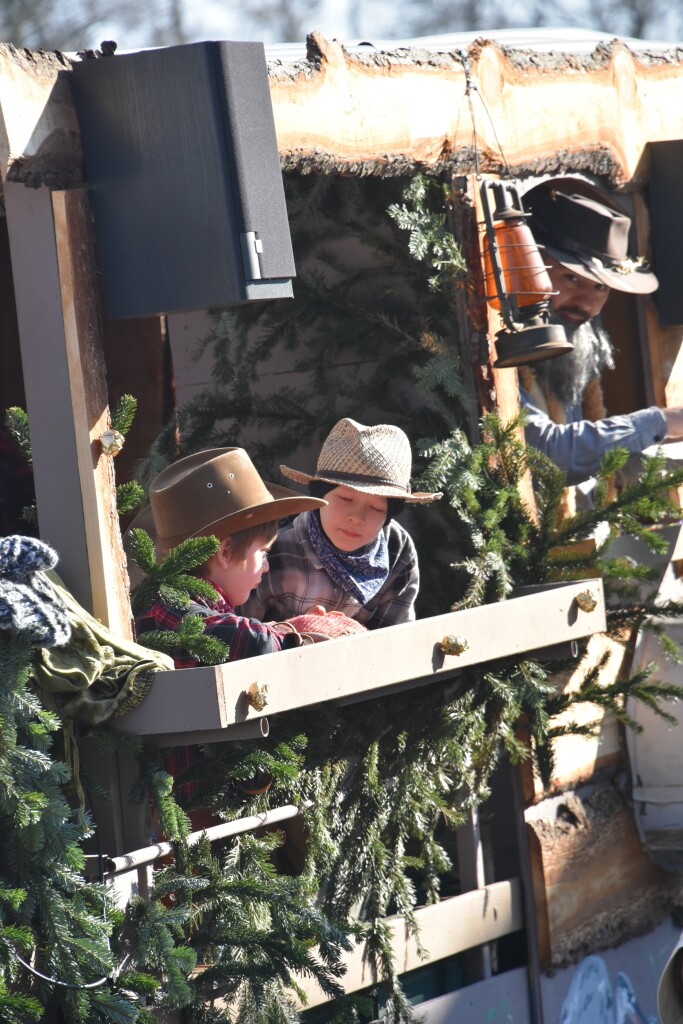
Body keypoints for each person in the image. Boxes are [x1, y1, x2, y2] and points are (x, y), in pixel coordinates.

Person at [518, 185, 683, 495]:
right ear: (530, 264)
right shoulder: (494, 347)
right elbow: (547, 456)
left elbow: (586, 466)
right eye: (571, 278)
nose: (586, 304)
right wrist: (664, 421)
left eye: (600, 288)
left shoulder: (576, 350)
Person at [135, 446, 331, 665]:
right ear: (225, 552)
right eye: (263, 552)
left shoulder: (190, 605)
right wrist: (295, 636)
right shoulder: (168, 606)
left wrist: (285, 629)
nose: (266, 567)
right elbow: (255, 643)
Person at [240, 418, 442, 629]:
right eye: (346, 499)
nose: (357, 517)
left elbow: (393, 637)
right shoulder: (273, 543)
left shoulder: (397, 549)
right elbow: (239, 632)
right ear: (320, 496)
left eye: (376, 508)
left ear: (390, 514)